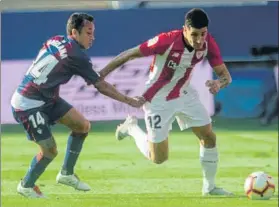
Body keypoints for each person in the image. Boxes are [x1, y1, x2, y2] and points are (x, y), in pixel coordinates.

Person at [100, 8, 233, 196]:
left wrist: (219, 83)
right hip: (157, 99)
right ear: (184, 30)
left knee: (209, 137)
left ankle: (209, 188)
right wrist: (101, 74)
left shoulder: (208, 43)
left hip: (185, 93)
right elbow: (130, 53)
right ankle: (131, 128)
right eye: (194, 34)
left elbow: (226, 77)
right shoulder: (167, 40)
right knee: (159, 158)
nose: (199, 40)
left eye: (202, 34)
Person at [11, 12, 144, 198]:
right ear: (75, 32)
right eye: (89, 33)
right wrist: (129, 101)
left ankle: (66, 173)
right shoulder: (77, 55)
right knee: (50, 151)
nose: (93, 37)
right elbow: (101, 86)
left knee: (82, 126)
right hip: (28, 104)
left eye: (93, 33)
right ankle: (26, 185)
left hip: (46, 98)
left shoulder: (56, 40)